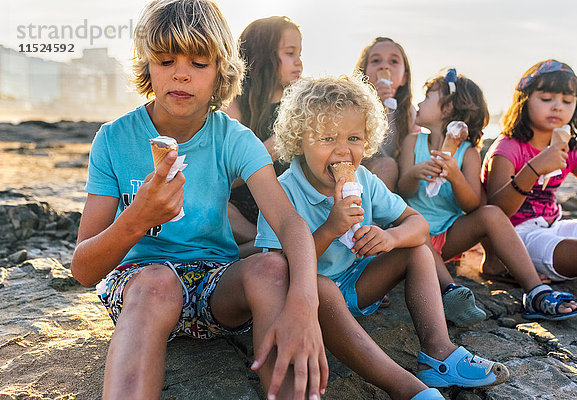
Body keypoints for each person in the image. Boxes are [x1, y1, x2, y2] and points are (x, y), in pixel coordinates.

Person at [69, 1, 327, 399]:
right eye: (166, 59)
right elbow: (84, 269)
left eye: (199, 63)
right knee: (156, 283)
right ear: (147, 65)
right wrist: (137, 219)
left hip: (217, 287)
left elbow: (289, 222)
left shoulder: (233, 138)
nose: (181, 74)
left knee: (272, 268)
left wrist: (304, 302)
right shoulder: (114, 139)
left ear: (221, 71)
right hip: (141, 284)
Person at [256, 75, 509, 398]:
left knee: (415, 249)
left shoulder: (364, 178)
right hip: (310, 299)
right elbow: (275, 271)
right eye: (327, 138)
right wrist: (330, 229)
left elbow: (417, 224)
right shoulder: (284, 191)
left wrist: (391, 239)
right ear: (298, 140)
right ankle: (401, 387)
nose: (343, 151)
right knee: (324, 287)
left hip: (357, 284)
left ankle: (438, 353)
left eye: (354, 138)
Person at [397, 68, 577, 325]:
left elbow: (474, 203)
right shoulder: (412, 142)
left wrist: (455, 176)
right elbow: (401, 190)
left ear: (448, 107)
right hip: (412, 233)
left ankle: (535, 291)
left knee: (492, 214)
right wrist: (415, 173)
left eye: (428, 96)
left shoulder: (469, 152)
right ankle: (452, 292)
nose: (419, 102)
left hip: (449, 235)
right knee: (416, 232)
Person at [482, 59, 577, 283]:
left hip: (553, 225)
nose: (557, 106)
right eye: (546, 99)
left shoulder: (570, 148)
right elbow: (496, 212)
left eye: (567, 100)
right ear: (524, 101)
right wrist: (535, 167)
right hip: (516, 237)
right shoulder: (508, 147)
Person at [223, 16, 303, 257]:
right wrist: (268, 150)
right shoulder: (233, 108)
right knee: (220, 209)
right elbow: (219, 180)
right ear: (263, 56)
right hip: (243, 210)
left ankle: (262, 248)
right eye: (290, 53)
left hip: (287, 206)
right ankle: (268, 244)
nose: (299, 62)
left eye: (300, 53)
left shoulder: (302, 106)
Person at [355, 37, 419, 191]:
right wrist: (375, 104)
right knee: (387, 165)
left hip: (394, 178)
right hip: (359, 170)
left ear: (404, 77)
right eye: (376, 61)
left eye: (393, 62)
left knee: (391, 165)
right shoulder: (353, 105)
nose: (384, 67)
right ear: (363, 72)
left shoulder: (409, 113)